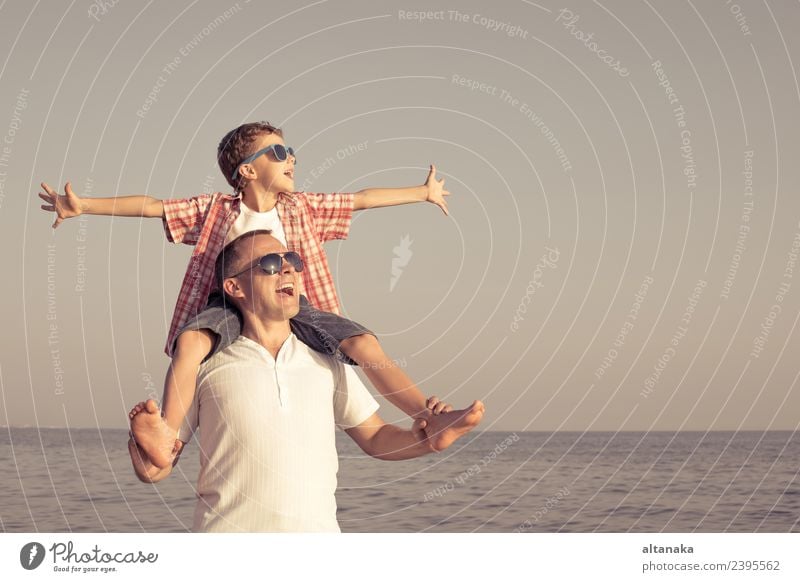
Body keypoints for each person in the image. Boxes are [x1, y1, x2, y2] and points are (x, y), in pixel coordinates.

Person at [39, 121, 466, 468]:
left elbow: (362, 199)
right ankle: (165, 435)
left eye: (290, 151)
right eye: (278, 152)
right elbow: (153, 207)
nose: (291, 158)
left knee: (363, 342)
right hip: (226, 306)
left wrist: (422, 193)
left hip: (296, 308)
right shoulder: (216, 211)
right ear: (246, 170)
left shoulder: (303, 207)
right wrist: (85, 205)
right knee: (190, 343)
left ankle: (425, 414)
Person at [127, 231, 484, 532]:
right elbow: (155, 471)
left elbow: (375, 437)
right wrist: (142, 451)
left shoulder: (325, 358)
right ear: (234, 287)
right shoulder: (208, 361)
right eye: (269, 264)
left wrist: (426, 442)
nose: (286, 268)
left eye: (292, 260)